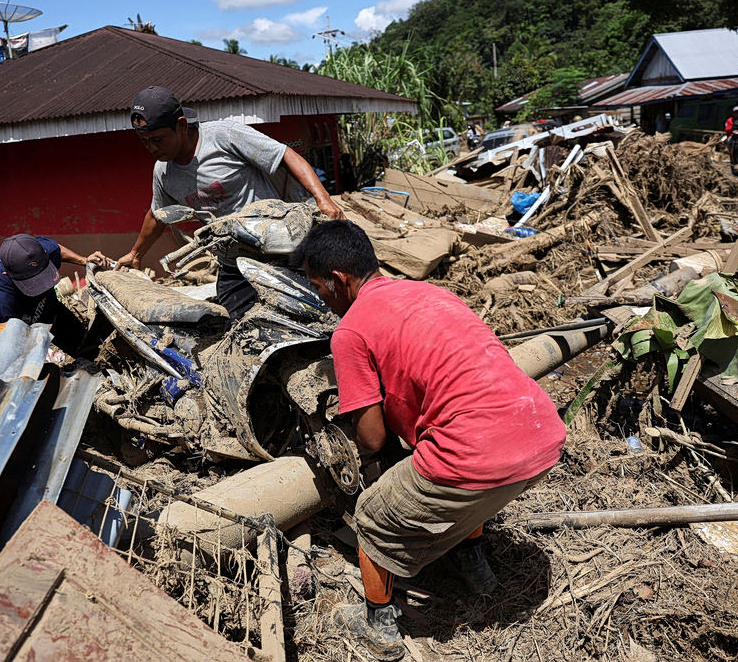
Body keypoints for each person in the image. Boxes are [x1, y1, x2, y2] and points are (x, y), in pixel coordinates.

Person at [292, 221, 566, 661]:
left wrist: (351, 431)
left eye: (317, 286)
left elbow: (372, 437)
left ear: (339, 281)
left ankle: (378, 626)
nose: (320, 297)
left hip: (475, 455)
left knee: (372, 515)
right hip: (541, 434)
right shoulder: (433, 294)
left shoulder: (350, 331)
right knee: (473, 486)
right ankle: (475, 567)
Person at [117, 86, 345, 324]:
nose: (152, 148)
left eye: (158, 140)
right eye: (144, 142)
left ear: (182, 126)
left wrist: (323, 199)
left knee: (318, 315)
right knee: (239, 327)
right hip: (233, 262)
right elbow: (158, 215)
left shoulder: (225, 136)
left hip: (280, 250)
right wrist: (135, 254)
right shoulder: (163, 173)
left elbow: (285, 155)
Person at [0, 234, 104, 357]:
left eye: (42, 275)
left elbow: (56, 250)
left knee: (87, 350)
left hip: (50, 310)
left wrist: (83, 260)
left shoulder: (36, 252)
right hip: (19, 330)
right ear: (7, 274)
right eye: (32, 281)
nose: (42, 286)